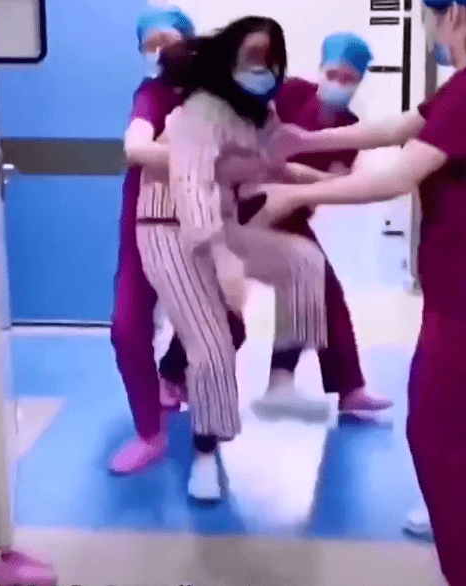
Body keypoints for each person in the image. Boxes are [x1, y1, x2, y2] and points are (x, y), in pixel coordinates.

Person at [256, 1, 466, 584]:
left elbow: (396, 176)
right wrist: (305, 137)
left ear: (455, 14)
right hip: (462, 280)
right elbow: (398, 127)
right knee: (439, 422)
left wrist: (294, 195)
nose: (429, 28)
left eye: (431, 16)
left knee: (434, 427)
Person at [136, 16, 329, 501]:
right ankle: (205, 453)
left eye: (271, 59)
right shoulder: (199, 110)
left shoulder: (258, 113)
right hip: (168, 229)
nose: (263, 69)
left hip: (219, 223)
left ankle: (281, 383)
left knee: (304, 262)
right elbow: (192, 185)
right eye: (253, 57)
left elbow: (275, 162)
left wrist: (330, 183)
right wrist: (222, 256)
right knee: (212, 343)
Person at [109, 4, 245, 475]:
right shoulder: (151, 94)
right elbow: (136, 148)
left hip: (205, 225)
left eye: (166, 42)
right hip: (146, 226)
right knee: (128, 330)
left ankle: (173, 374)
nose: (158, 52)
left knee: (228, 328)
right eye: (148, 45)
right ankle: (150, 434)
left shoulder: (221, 97)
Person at [250, 32, 394, 422]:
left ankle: (341, 388)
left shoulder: (349, 128)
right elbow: (257, 149)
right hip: (247, 203)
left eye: (349, 79)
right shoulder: (289, 93)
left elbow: (337, 184)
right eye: (333, 74)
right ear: (319, 70)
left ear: (360, 81)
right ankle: (174, 376)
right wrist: (304, 176)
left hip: (291, 214)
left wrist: (294, 174)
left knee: (319, 289)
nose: (338, 84)